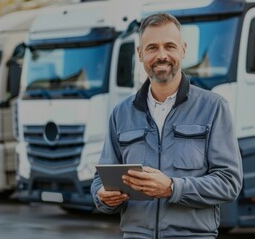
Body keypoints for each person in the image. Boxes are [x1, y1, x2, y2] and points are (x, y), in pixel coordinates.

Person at [90, 13, 242, 239]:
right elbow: (99, 181)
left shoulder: (213, 107)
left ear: (183, 49)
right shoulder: (121, 114)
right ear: (140, 54)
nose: (162, 55)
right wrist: (102, 196)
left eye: (169, 46)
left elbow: (229, 182)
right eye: (152, 48)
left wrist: (172, 188)